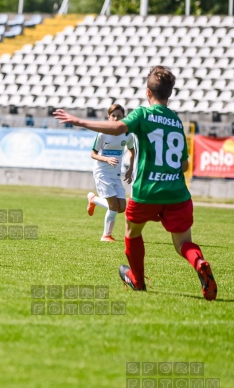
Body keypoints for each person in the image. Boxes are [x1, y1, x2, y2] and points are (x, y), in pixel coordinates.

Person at [54, 65, 217, 301]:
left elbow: (120, 127)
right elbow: (184, 166)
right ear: (169, 94)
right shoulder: (176, 121)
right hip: (177, 194)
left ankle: (138, 280)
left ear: (148, 93)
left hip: (147, 191)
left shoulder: (143, 114)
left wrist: (80, 121)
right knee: (183, 242)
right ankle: (199, 262)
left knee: (131, 233)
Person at [86, 104, 135, 242]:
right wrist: (106, 159)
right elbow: (93, 154)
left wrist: (131, 169)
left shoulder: (127, 134)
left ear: (123, 117)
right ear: (109, 117)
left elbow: (132, 151)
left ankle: (93, 200)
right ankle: (106, 235)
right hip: (102, 172)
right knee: (113, 206)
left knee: (121, 208)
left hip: (116, 174)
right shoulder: (102, 134)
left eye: (118, 116)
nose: (115, 118)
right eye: (113, 116)